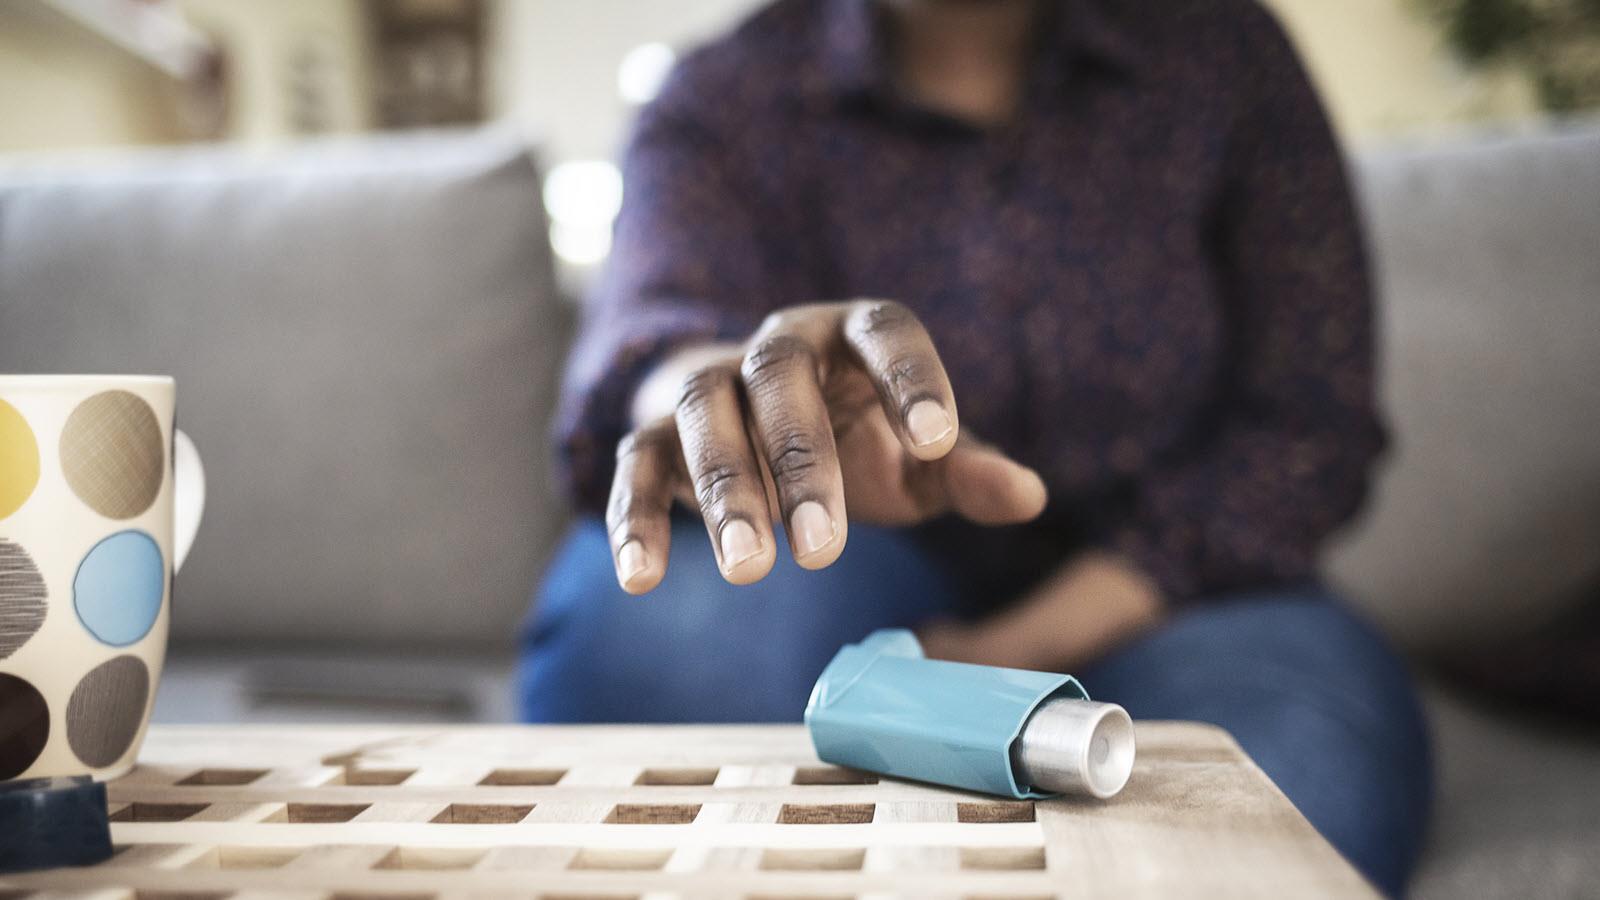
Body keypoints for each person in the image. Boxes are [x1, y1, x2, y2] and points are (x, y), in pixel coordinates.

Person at [519, 0, 1431, 893]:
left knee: (1280, 793)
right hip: (823, 565)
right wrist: (720, 389)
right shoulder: (723, 95)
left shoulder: (1225, 57)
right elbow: (656, 335)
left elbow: (1308, 423)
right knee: (671, 641)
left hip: (1178, 595)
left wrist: (1014, 647)